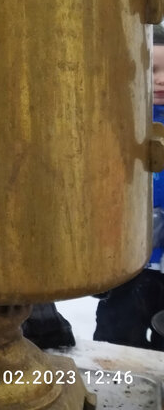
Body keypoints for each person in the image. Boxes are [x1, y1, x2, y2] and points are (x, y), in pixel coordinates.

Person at [93, 22, 164, 349]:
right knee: (117, 335)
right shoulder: (120, 121)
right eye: (153, 69)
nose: (160, 79)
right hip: (128, 261)